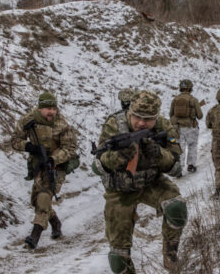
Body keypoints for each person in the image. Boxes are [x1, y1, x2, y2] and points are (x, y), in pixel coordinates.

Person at [92, 90, 187, 273]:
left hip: (151, 182)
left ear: (156, 117)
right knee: (118, 258)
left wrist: (158, 154)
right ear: (130, 112)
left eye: (148, 119)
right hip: (120, 189)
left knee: (176, 208)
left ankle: (170, 255)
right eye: (136, 117)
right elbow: (98, 166)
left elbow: (176, 168)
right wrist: (118, 157)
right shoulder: (114, 125)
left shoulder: (163, 127)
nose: (141, 123)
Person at [12, 91, 80, 249]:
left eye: (54, 108)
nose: (51, 112)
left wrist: (53, 158)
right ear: (40, 108)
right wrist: (28, 146)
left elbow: (70, 148)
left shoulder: (62, 124)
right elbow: (15, 140)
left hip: (57, 166)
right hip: (38, 165)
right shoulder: (28, 120)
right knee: (37, 200)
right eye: (48, 108)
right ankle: (55, 222)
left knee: (44, 195)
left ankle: (35, 235)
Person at [169, 79, 203, 174]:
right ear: (190, 88)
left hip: (178, 128)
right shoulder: (193, 100)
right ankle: (191, 165)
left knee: (180, 147)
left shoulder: (175, 100)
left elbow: (171, 114)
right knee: (192, 145)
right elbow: (200, 116)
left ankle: (179, 169)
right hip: (191, 127)